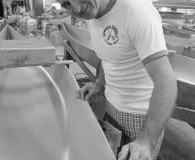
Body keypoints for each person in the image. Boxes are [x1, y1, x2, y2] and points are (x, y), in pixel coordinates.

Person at [57, 0, 177, 160]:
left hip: (140, 117)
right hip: (112, 106)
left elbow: (166, 81)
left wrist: (145, 141)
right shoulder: (92, 13)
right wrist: (99, 83)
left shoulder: (137, 12)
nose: (77, 8)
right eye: (66, 4)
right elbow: (105, 57)